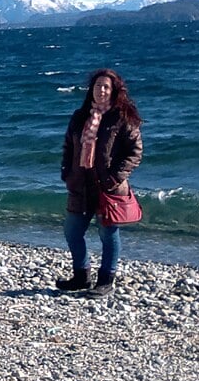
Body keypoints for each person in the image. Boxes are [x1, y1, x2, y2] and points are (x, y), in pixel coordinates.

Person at [57, 68, 143, 295]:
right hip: (80, 184)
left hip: (108, 186)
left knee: (108, 234)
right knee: (72, 230)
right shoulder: (80, 116)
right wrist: (66, 171)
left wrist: (115, 176)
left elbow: (135, 152)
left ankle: (106, 280)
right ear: (91, 90)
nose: (101, 90)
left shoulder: (123, 117)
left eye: (106, 87)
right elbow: (68, 146)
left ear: (114, 90)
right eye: (97, 86)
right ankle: (81, 275)